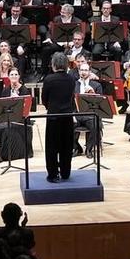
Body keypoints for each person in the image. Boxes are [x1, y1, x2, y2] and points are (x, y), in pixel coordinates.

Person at [39, 52, 79, 182]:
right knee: (66, 146)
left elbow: (44, 99)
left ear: (54, 64)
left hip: (53, 117)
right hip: (67, 116)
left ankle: (53, 174)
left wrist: (49, 107)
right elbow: (71, 98)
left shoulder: (49, 79)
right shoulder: (71, 79)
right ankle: (66, 172)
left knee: (52, 147)